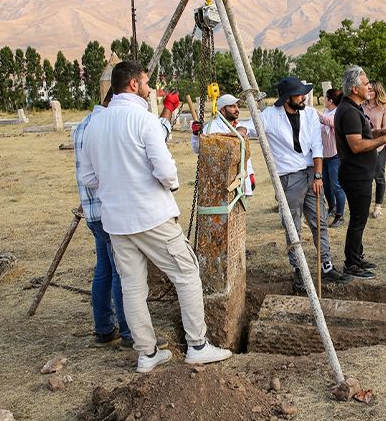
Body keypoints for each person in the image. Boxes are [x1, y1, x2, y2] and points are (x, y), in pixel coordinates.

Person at [78, 61, 232, 373]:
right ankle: (198, 345)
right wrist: (169, 184)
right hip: (151, 215)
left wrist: (118, 181)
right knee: (187, 273)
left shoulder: (94, 124)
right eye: (147, 83)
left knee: (133, 287)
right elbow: (165, 171)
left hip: (116, 221)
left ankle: (147, 353)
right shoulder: (144, 120)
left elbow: (90, 178)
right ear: (133, 84)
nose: (151, 89)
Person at [253, 76, 353, 289]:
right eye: (299, 94)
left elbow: (318, 145)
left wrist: (318, 175)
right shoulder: (269, 116)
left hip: (311, 173)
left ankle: (326, 265)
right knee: (293, 225)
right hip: (288, 177)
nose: (304, 96)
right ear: (288, 97)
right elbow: (249, 128)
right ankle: (299, 269)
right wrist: (239, 130)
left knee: (320, 221)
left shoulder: (309, 114)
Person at [73, 87, 131, 348]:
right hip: (109, 210)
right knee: (121, 271)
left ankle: (104, 327)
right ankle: (131, 333)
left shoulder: (83, 125)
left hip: (92, 211)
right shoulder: (103, 126)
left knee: (104, 269)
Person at [335, 66, 386, 277]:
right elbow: (356, 145)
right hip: (355, 175)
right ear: (355, 88)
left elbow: (362, 133)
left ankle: (357, 257)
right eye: (366, 84)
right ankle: (351, 264)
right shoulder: (348, 111)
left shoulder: (353, 108)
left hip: (360, 173)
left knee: (360, 218)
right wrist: (384, 140)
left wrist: (380, 131)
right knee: (358, 220)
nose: (369, 87)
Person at [190, 94, 256, 196]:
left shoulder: (239, 126)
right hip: (221, 182)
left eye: (237, 106)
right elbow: (198, 149)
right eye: (232, 106)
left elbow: (244, 156)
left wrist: (250, 174)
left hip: (240, 180)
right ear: (222, 110)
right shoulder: (212, 127)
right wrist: (195, 135)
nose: (237, 109)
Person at [318, 88, 346, 227]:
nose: (324, 100)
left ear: (330, 100)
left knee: (337, 186)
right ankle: (332, 207)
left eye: (325, 98)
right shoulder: (326, 112)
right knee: (327, 185)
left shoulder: (338, 114)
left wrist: (311, 111)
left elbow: (328, 121)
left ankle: (340, 215)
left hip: (335, 155)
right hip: (325, 156)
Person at [363, 80, 386, 219]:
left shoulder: (384, 107)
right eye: (367, 89)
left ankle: (378, 207)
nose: (369, 92)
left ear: (377, 92)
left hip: (379, 146)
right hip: (365, 145)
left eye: (372, 90)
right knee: (365, 177)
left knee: (379, 176)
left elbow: (385, 128)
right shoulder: (362, 105)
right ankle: (364, 205)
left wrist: (376, 138)